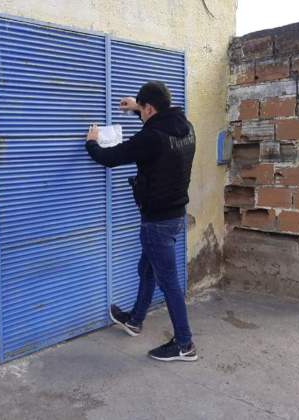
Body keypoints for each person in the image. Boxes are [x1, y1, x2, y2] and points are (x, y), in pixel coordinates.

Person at [85, 81, 198, 362]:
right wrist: (136, 106)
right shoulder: (185, 126)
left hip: (156, 222)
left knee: (168, 283)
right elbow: (161, 118)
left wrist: (91, 141)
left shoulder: (151, 138)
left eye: (142, 108)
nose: (141, 114)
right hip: (175, 215)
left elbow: (110, 157)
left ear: (150, 108)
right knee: (146, 269)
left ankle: (185, 345)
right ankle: (135, 320)